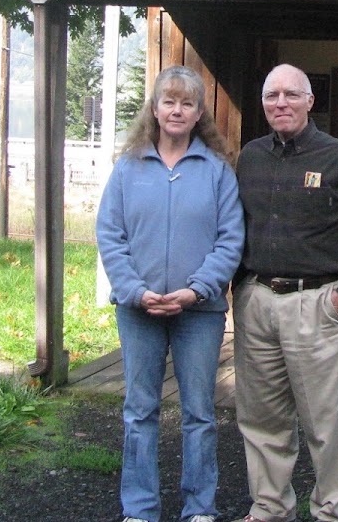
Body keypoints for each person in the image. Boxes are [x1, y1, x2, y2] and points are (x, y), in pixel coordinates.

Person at [232, 64, 338, 522]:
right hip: (257, 301)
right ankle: (269, 508)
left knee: (324, 421)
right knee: (261, 419)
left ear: (309, 101)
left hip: (317, 304)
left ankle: (330, 511)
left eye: (289, 94)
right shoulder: (251, 157)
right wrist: (237, 291)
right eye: (271, 96)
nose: (279, 103)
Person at [96, 65, 244, 522]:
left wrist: (196, 290)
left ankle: (199, 507)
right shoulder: (128, 167)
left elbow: (231, 238)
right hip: (137, 310)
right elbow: (110, 233)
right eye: (169, 101)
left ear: (199, 113)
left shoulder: (217, 171)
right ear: (155, 109)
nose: (177, 110)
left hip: (198, 313)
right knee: (140, 410)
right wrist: (135, 291)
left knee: (199, 412)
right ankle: (139, 508)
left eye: (187, 103)